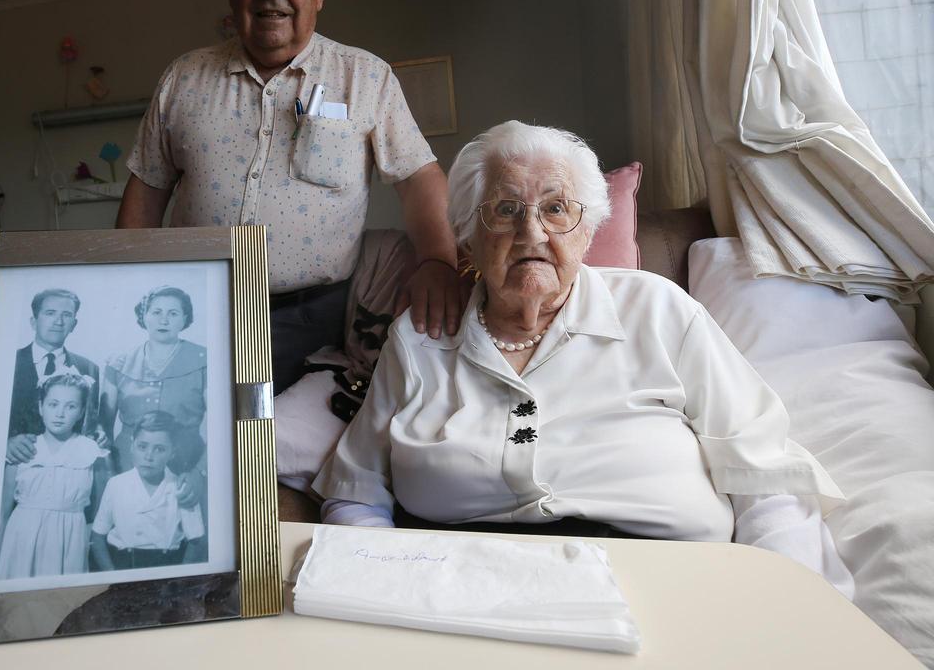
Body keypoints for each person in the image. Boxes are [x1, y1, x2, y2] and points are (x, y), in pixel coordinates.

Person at [313, 120, 855, 597]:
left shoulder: (658, 310)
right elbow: (355, 492)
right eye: (505, 211)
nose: (532, 233)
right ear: (468, 237)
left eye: (555, 209)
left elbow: (764, 473)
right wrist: (383, 592)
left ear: (589, 228)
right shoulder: (422, 337)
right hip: (463, 594)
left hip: (667, 587)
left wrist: (791, 607)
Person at [115, 0, 462, 391]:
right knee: (197, 451)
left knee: (290, 460)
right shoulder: (183, 77)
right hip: (191, 314)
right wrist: (125, 289)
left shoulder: (366, 77)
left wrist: (438, 263)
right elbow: (147, 188)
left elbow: (418, 176)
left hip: (314, 319)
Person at [0, 373, 107, 579]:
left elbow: (101, 512)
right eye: (53, 404)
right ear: (41, 407)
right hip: (21, 537)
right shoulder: (22, 449)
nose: (60, 414)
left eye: (71, 406)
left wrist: (83, 540)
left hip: (70, 539)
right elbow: (3, 513)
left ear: (82, 411)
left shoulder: (92, 452)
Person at [99, 286, 206, 475]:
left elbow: (220, 425)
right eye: (156, 312)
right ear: (144, 316)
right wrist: (109, 474)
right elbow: (103, 428)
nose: (163, 320)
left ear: (185, 319)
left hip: (188, 466)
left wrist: (200, 472)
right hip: (126, 466)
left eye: (173, 313)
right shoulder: (118, 363)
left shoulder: (204, 360)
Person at [90, 411, 205, 570]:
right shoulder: (116, 485)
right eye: (142, 447)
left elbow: (196, 541)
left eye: (159, 449)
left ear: (172, 453)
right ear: (132, 445)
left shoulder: (181, 487)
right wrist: (112, 574)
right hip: (123, 565)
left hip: (166, 567)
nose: (149, 456)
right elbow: (97, 538)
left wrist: (180, 577)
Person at [8, 289, 101, 464]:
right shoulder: (7, 362)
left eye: (66, 315)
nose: (58, 322)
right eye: (50, 313)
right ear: (34, 321)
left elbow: (88, 424)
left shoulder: (88, 369)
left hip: (67, 467)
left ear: (74, 324)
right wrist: (3, 443)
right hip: (14, 464)